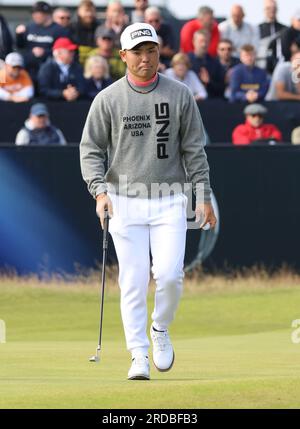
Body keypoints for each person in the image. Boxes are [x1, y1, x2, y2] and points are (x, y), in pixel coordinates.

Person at [80, 22, 217, 381]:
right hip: (124, 198)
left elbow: (194, 150)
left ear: (159, 52)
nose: (145, 58)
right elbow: (91, 150)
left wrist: (202, 195)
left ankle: (160, 328)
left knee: (170, 275)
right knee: (134, 280)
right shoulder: (107, 99)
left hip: (170, 197)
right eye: (137, 52)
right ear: (123, 56)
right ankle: (138, 353)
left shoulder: (180, 93)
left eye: (151, 51)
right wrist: (100, 191)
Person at [15, 1, 68, 81]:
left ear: (47, 14)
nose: (34, 16)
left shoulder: (59, 30)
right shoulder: (29, 27)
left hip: (50, 71)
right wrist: (19, 35)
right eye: (33, 13)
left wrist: (45, 52)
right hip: (29, 70)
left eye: (37, 13)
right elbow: (20, 46)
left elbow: (65, 51)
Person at [188, 30, 225, 98]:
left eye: (206, 41)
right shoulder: (186, 60)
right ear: (194, 41)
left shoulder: (215, 63)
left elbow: (221, 89)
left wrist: (209, 82)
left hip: (209, 102)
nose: (204, 45)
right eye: (201, 41)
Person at [257, 0, 286, 70]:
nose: (272, 10)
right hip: (262, 65)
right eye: (268, 8)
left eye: (274, 8)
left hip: (280, 65)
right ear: (264, 10)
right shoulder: (257, 29)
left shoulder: (284, 29)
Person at [69, 0, 99, 66]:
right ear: (79, 11)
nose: (89, 14)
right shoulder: (71, 28)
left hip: (94, 64)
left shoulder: (99, 28)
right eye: (86, 11)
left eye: (91, 11)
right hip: (75, 64)